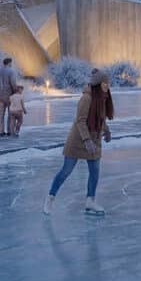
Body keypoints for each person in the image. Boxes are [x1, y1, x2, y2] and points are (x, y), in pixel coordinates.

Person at [43, 70, 114, 216]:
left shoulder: (102, 98)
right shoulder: (86, 98)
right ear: (98, 84)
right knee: (66, 171)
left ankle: (90, 201)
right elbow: (80, 121)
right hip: (78, 140)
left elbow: (101, 118)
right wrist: (86, 140)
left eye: (108, 83)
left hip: (94, 139)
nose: (107, 86)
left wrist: (106, 131)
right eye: (104, 83)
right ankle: (50, 198)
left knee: (95, 172)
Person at [0, 57, 17, 137]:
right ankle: (9, 130)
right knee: (10, 114)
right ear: (9, 63)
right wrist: (15, 91)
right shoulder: (11, 71)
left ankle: (1, 131)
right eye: (11, 63)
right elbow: (13, 83)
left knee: (1, 114)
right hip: (9, 95)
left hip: (0, 95)